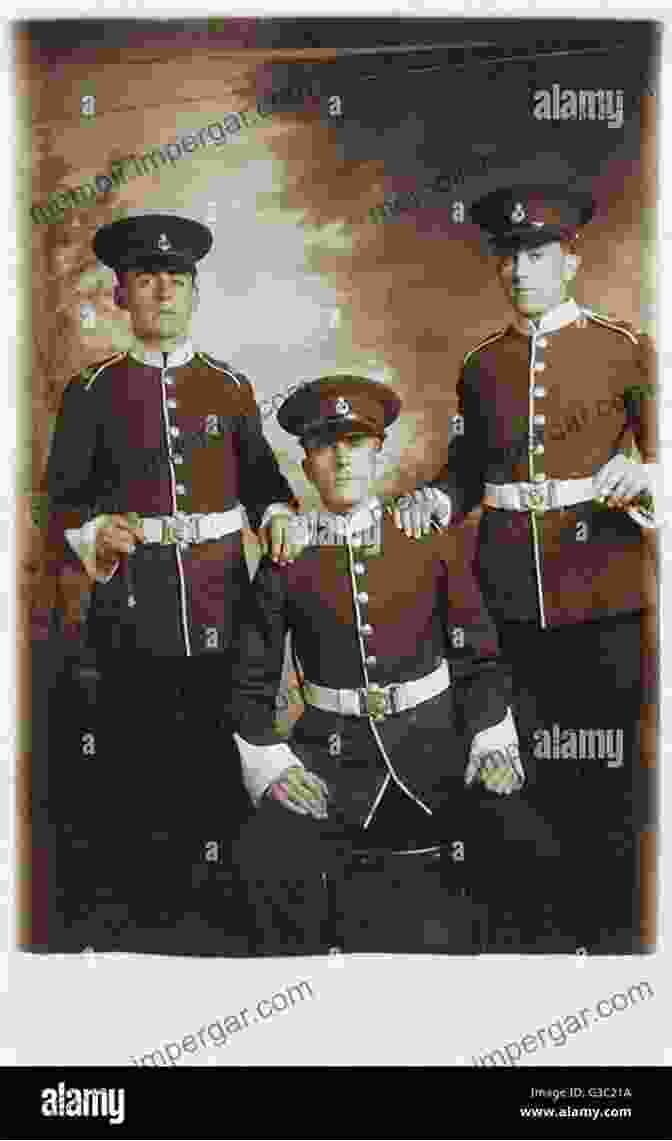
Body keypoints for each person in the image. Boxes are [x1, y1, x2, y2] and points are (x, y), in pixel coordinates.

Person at [224, 375, 573, 956]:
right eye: (323, 445)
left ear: (378, 453)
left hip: (439, 745)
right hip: (329, 757)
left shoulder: (427, 540)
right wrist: (271, 766)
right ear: (306, 465)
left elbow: (478, 660)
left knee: (524, 838)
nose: (341, 457)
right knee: (265, 852)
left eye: (356, 443)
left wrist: (491, 745)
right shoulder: (287, 555)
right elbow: (251, 682)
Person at [44, 213, 306, 950]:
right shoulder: (91, 390)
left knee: (223, 764)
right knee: (139, 769)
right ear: (122, 293)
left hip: (226, 602)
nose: (164, 291)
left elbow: (262, 480)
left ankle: (223, 919)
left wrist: (280, 511)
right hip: (135, 614)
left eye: (178, 280)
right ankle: (146, 917)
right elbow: (62, 498)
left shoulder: (229, 386)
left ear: (196, 294)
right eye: (148, 279)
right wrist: (95, 532)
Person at [419, 187, 657, 951]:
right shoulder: (481, 367)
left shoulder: (624, 348)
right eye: (511, 257)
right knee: (512, 771)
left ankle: (616, 938)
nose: (521, 270)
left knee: (607, 776)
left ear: (570, 260)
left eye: (538, 255)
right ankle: (532, 936)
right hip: (510, 602)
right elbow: (463, 472)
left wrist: (643, 472)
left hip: (605, 599)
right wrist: (432, 498)